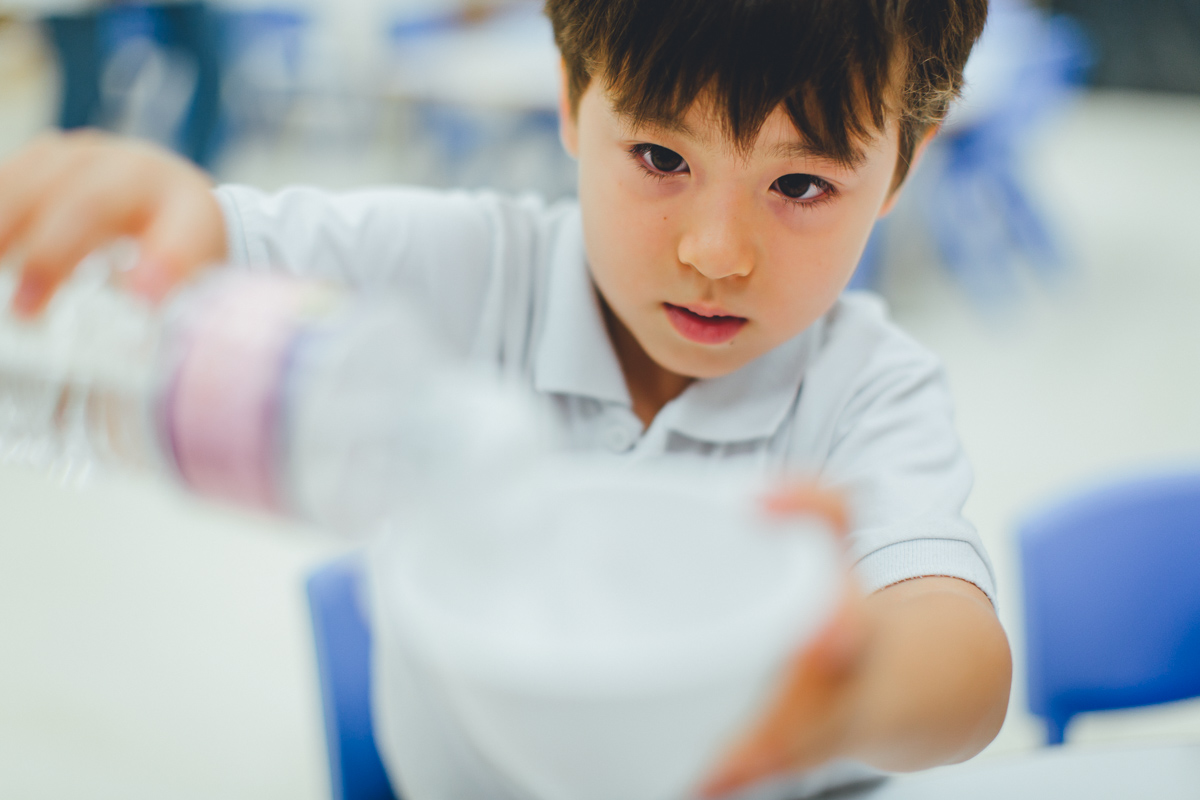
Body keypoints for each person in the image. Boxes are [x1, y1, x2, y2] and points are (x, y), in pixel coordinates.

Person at [0, 0, 1012, 797]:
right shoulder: (461, 272)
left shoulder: (869, 389)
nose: (716, 253)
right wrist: (163, 231)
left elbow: (964, 665)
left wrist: (851, 690)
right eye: (661, 158)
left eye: (801, 187)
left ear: (900, 168)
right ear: (571, 97)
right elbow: (222, 250)